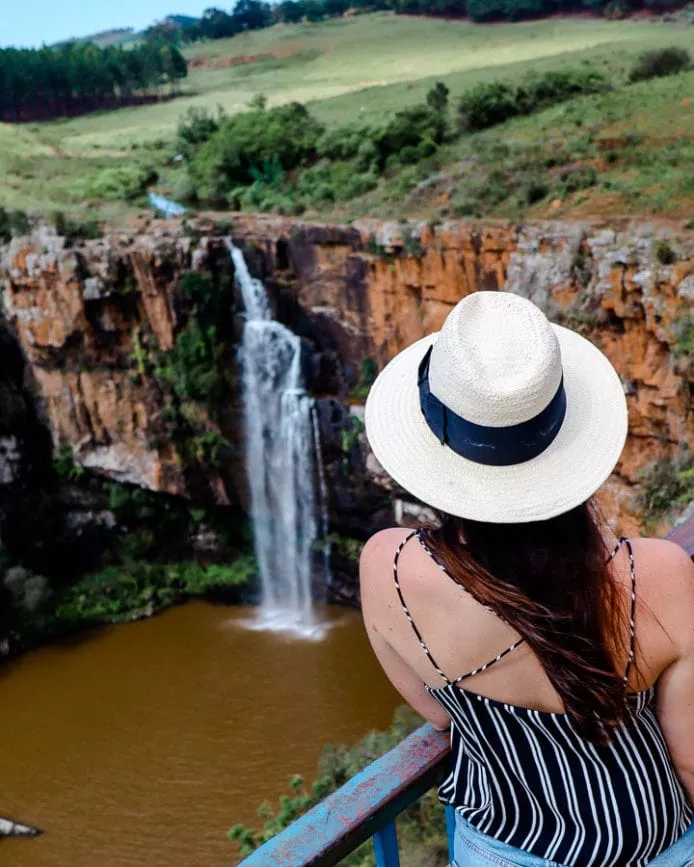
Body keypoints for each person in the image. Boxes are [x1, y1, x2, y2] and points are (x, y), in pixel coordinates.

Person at [360, 291, 694, 867]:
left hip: (504, 850)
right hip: (657, 846)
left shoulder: (388, 569)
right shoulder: (656, 574)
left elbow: (440, 714)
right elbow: (690, 760)